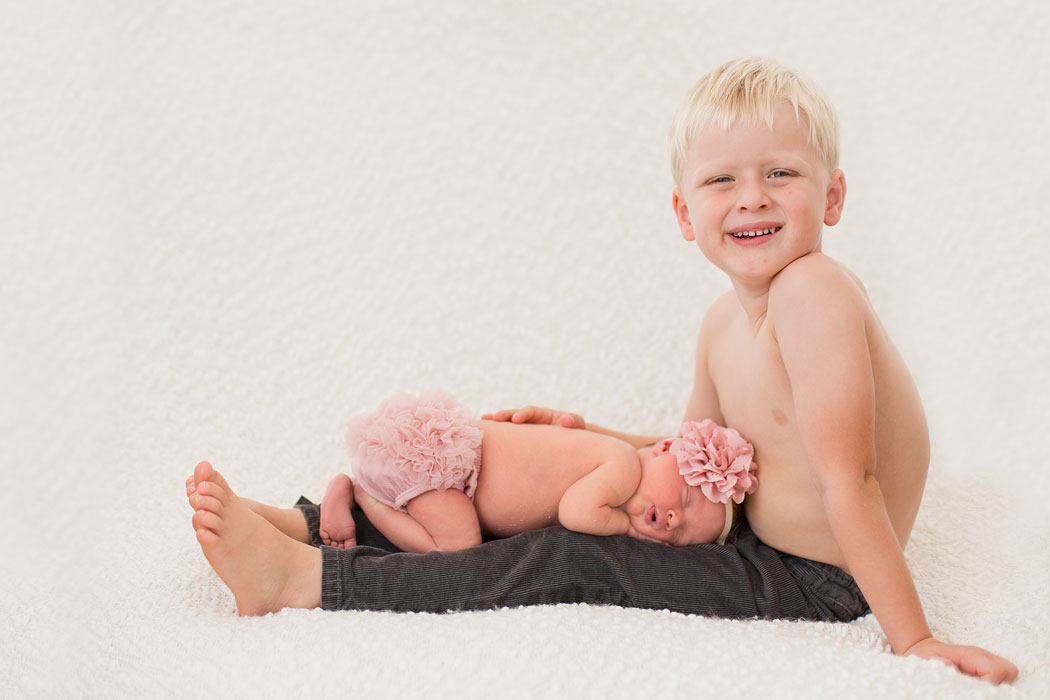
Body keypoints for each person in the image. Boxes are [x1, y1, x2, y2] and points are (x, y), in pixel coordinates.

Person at [185, 57, 1017, 684]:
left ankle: (307, 577)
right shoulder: (724, 321)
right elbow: (687, 447)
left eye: (781, 174)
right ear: (686, 213)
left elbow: (853, 477)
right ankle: (309, 522)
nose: (753, 198)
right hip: (757, 536)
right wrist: (584, 433)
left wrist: (912, 638)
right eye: (723, 180)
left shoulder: (816, 293)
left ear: (831, 198)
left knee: (573, 554)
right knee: (555, 486)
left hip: (822, 577)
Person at [315, 392, 757, 552]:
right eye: (684, 499)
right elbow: (576, 513)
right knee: (457, 545)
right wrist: (625, 528)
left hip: (445, 467)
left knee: (453, 528)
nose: (674, 520)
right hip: (443, 467)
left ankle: (364, 490)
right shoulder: (620, 466)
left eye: (681, 537)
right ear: (665, 449)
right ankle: (361, 496)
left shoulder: (609, 457)